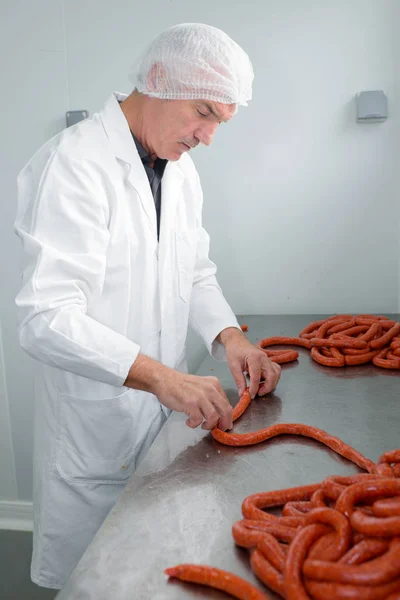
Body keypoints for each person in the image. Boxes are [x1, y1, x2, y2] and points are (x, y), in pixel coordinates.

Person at [14, 22, 281, 589]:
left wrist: (228, 336)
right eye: (203, 113)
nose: (208, 137)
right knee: (96, 584)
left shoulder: (180, 171)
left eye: (220, 123)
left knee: (156, 580)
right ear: (158, 80)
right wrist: (159, 376)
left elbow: (195, 270)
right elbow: (44, 317)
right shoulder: (74, 165)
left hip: (160, 430)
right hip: (94, 437)